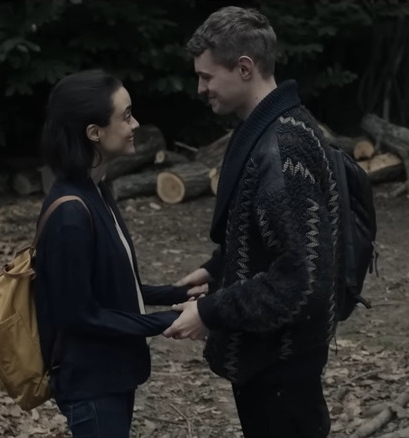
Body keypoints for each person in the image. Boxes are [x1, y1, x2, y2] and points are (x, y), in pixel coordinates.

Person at [164, 6, 341, 438]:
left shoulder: (284, 147)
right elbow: (268, 234)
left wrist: (210, 310)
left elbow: (303, 278)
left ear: (244, 68)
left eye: (207, 76)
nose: (200, 88)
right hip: (268, 363)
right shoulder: (263, 130)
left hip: (282, 369)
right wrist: (217, 268)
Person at [34, 69, 202, 438]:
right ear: (94, 133)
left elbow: (112, 287)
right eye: (125, 116)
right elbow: (80, 315)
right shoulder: (70, 214)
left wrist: (181, 294)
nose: (135, 124)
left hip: (111, 376)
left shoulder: (95, 190)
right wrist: (168, 322)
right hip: (90, 386)